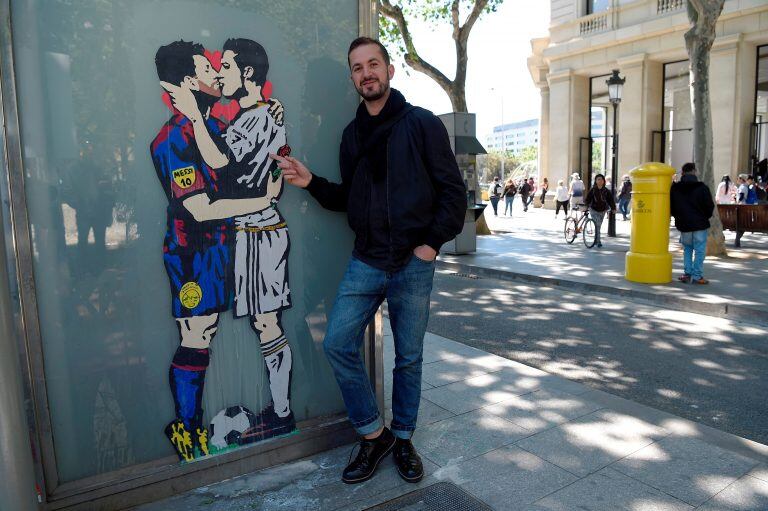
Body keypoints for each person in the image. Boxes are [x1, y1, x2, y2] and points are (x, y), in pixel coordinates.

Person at [273, 37, 465, 485]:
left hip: (413, 263)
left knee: (409, 359)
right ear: (353, 78)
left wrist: (430, 245)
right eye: (357, 68)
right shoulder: (351, 135)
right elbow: (349, 198)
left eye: (373, 64)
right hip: (367, 260)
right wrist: (310, 183)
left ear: (390, 70)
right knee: (337, 342)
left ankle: (403, 439)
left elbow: (453, 193)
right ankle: (373, 434)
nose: (366, 74)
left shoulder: (421, 124)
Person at [151, 41, 280, 461]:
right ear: (188, 82)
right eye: (206, 68)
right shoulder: (171, 140)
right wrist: (264, 201)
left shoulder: (213, 130)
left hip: (228, 248)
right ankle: (186, 429)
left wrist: (269, 110)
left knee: (234, 327)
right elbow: (201, 209)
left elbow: (235, 163)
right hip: (193, 254)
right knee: (197, 332)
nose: (214, 73)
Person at [670, 162, 714, 285]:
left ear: (682, 172)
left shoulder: (675, 188)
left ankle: (687, 273)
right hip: (700, 223)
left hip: (684, 224)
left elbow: (672, 207)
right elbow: (709, 206)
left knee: (687, 249)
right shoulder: (702, 187)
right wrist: (705, 216)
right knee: (699, 250)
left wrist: (678, 217)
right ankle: (697, 276)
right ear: (694, 171)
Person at [584, 173, 615, 248]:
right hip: (593, 209)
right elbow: (588, 199)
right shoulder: (593, 190)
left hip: (603, 210)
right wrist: (586, 206)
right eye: (598, 179)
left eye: (601, 179)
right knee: (597, 225)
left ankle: (596, 239)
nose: (600, 181)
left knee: (598, 226)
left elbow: (610, 200)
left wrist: (613, 208)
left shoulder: (606, 190)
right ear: (595, 181)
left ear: (604, 181)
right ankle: (598, 241)